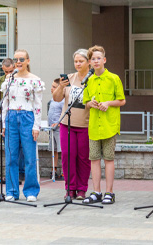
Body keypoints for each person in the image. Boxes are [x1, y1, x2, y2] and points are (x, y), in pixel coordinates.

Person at [82, 45, 126, 204]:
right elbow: (85, 103)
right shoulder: (89, 80)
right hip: (93, 127)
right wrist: (90, 104)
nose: (96, 61)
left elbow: (122, 100)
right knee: (94, 159)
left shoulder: (114, 78)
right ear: (90, 62)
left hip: (109, 126)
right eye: (93, 59)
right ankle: (96, 192)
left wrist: (108, 103)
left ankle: (110, 192)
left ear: (104, 60)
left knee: (108, 159)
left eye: (98, 58)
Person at [1, 49, 45, 202]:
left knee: (29, 156)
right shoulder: (9, 79)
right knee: (11, 157)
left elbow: (38, 105)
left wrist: (36, 126)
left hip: (27, 116)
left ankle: (31, 190)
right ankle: (12, 191)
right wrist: (3, 123)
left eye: (21, 59)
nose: (18, 62)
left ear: (28, 61)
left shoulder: (35, 80)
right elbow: (5, 102)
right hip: (11, 117)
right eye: (16, 59)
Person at [53, 49, 92, 200]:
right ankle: (70, 188)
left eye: (81, 61)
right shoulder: (69, 78)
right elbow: (56, 98)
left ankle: (82, 189)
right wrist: (61, 87)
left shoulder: (93, 79)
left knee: (83, 158)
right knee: (68, 156)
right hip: (67, 124)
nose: (78, 64)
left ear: (88, 62)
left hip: (86, 125)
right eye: (76, 61)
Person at [0, 58, 25, 182]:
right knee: (9, 147)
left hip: (19, 114)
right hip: (6, 116)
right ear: (3, 69)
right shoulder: (0, 80)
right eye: (6, 72)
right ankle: (11, 175)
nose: (8, 74)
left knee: (21, 147)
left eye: (11, 71)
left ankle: (21, 172)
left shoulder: (20, 78)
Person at [47, 78, 64, 180]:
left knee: (62, 150)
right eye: (52, 86)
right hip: (51, 130)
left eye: (54, 87)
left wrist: (58, 124)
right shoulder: (52, 100)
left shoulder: (62, 101)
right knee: (54, 150)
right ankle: (54, 170)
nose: (51, 89)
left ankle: (64, 172)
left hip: (59, 130)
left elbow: (64, 115)